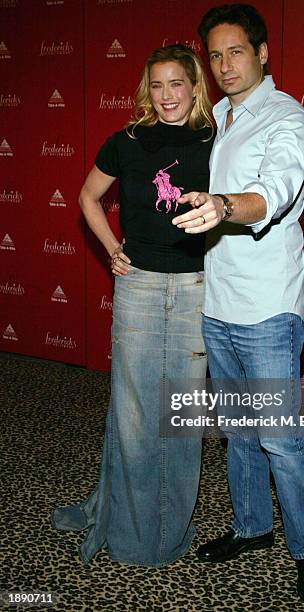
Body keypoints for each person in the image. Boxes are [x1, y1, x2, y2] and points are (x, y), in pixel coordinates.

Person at [172, 4, 304, 603]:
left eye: (236, 51)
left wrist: (224, 206)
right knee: (238, 431)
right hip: (218, 305)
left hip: (267, 309)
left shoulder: (286, 116)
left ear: (262, 53)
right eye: (214, 55)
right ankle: (252, 529)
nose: (224, 65)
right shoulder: (212, 115)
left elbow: (278, 189)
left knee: (279, 438)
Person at [51, 44, 214, 567]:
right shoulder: (126, 141)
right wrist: (112, 249)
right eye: (158, 85)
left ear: (194, 86)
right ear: (149, 88)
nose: (168, 96)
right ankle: (115, 513)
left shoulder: (217, 139)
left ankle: (162, 534)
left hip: (195, 287)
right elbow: (86, 197)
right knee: (133, 410)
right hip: (139, 286)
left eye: (177, 84)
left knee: (180, 415)